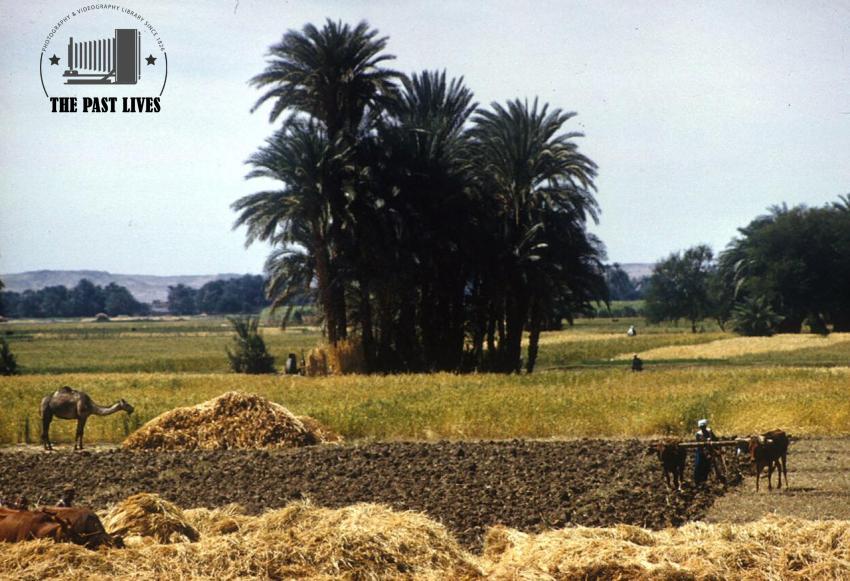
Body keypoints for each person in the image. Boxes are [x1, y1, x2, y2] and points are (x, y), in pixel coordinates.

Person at [694, 419, 717, 485]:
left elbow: (715, 439)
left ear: (705, 426)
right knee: (698, 465)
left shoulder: (709, 431)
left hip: (709, 450)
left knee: (707, 466)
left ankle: (705, 479)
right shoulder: (698, 434)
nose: (703, 428)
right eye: (701, 427)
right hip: (701, 451)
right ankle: (697, 480)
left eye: (704, 426)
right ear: (700, 427)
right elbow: (699, 443)